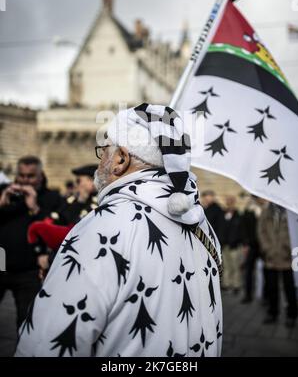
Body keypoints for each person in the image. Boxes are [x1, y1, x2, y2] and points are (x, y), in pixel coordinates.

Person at [15, 104, 222, 357]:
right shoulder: (203, 226)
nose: (99, 161)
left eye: (103, 152)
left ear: (120, 159)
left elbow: (45, 347)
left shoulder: (100, 228)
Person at [0, 156, 63, 329]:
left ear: (40, 176)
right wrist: (2, 201)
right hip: (1, 264)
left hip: (28, 271)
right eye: (21, 176)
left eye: (30, 176)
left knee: (27, 322)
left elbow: (56, 229)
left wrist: (35, 208)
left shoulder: (52, 197)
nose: (25, 180)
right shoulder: (5, 192)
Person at [27, 165, 99, 255]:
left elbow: (76, 227)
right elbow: (56, 219)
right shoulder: (69, 201)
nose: (78, 184)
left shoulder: (98, 203)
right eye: (78, 181)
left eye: (80, 181)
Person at [258, 202, 298, 327]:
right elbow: (261, 231)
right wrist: (267, 248)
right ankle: (272, 313)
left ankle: (292, 315)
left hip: (288, 258)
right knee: (271, 287)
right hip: (270, 257)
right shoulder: (266, 211)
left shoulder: (292, 211)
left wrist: (289, 248)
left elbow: (296, 232)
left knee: (290, 288)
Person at [240, 196, 265, 303]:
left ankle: (266, 296)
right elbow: (244, 228)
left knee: (267, 271)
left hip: (264, 245)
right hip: (251, 245)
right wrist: (245, 244)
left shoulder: (266, 210)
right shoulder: (248, 210)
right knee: (249, 271)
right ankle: (248, 295)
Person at [220, 195, 242, 293]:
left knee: (235, 266)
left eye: (231, 201)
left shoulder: (238, 214)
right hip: (225, 244)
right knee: (226, 266)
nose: (229, 203)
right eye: (228, 201)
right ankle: (226, 283)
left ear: (234, 202)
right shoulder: (222, 214)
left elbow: (240, 230)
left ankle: (236, 284)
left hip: (235, 245)